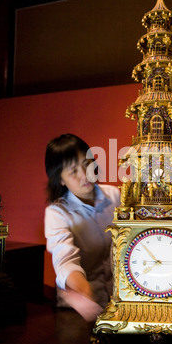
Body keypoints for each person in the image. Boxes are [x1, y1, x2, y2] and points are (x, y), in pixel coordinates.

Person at [44, 133, 120, 321]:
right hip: (80, 310)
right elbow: (64, 257)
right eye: (73, 172)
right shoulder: (57, 212)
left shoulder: (114, 196)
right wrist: (82, 287)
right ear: (60, 180)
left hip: (117, 302)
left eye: (87, 165)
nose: (84, 175)